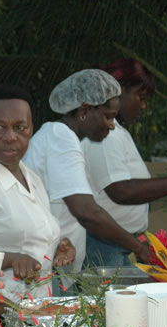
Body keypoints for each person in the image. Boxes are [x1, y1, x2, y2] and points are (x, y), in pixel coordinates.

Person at [22, 69, 151, 286]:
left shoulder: (60, 137)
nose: (111, 125)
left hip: (56, 262)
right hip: (47, 268)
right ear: (84, 111)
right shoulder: (61, 138)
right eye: (107, 116)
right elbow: (86, 212)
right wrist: (138, 247)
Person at [0, 85, 76, 302]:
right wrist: (10, 260)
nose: (10, 137)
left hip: (37, 307)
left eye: (20, 127)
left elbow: (29, 238)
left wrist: (58, 247)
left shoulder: (32, 177)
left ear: (31, 130)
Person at [81, 59, 167, 266]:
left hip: (117, 245)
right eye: (140, 97)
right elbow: (121, 191)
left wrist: (142, 239)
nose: (143, 106)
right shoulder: (105, 135)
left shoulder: (116, 132)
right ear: (119, 90)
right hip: (103, 247)